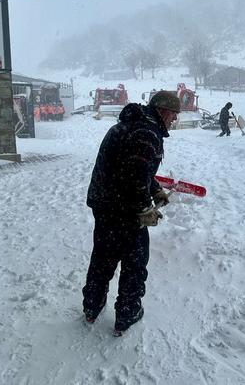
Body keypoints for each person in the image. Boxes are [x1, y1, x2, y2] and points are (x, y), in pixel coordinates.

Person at [82, 90, 180, 335]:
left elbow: (136, 168)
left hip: (104, 204)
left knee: (103, 255)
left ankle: (92, 306)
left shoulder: (128, 126)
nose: (174, 120)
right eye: (173, 114)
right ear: (163, 111)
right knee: (134, 261)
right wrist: (144, 209)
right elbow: (134, 176)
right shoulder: (147, 133)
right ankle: (127, 313)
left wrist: (156, 189)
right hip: (123, 209)